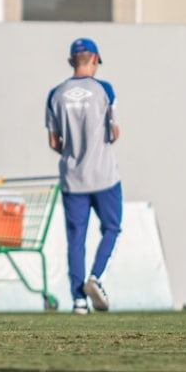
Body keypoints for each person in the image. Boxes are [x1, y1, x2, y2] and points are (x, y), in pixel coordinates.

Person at [45, 37, 122, 315]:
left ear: (71, 61)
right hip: (104, 176)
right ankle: (96, 277)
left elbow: (54, 141)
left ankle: (78, 300)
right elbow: (114, 132)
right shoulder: (105, 90)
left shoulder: (55, 94)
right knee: (112, 228)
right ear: (95, 59)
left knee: (76, 239)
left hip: (72, 178)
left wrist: (72, 152)